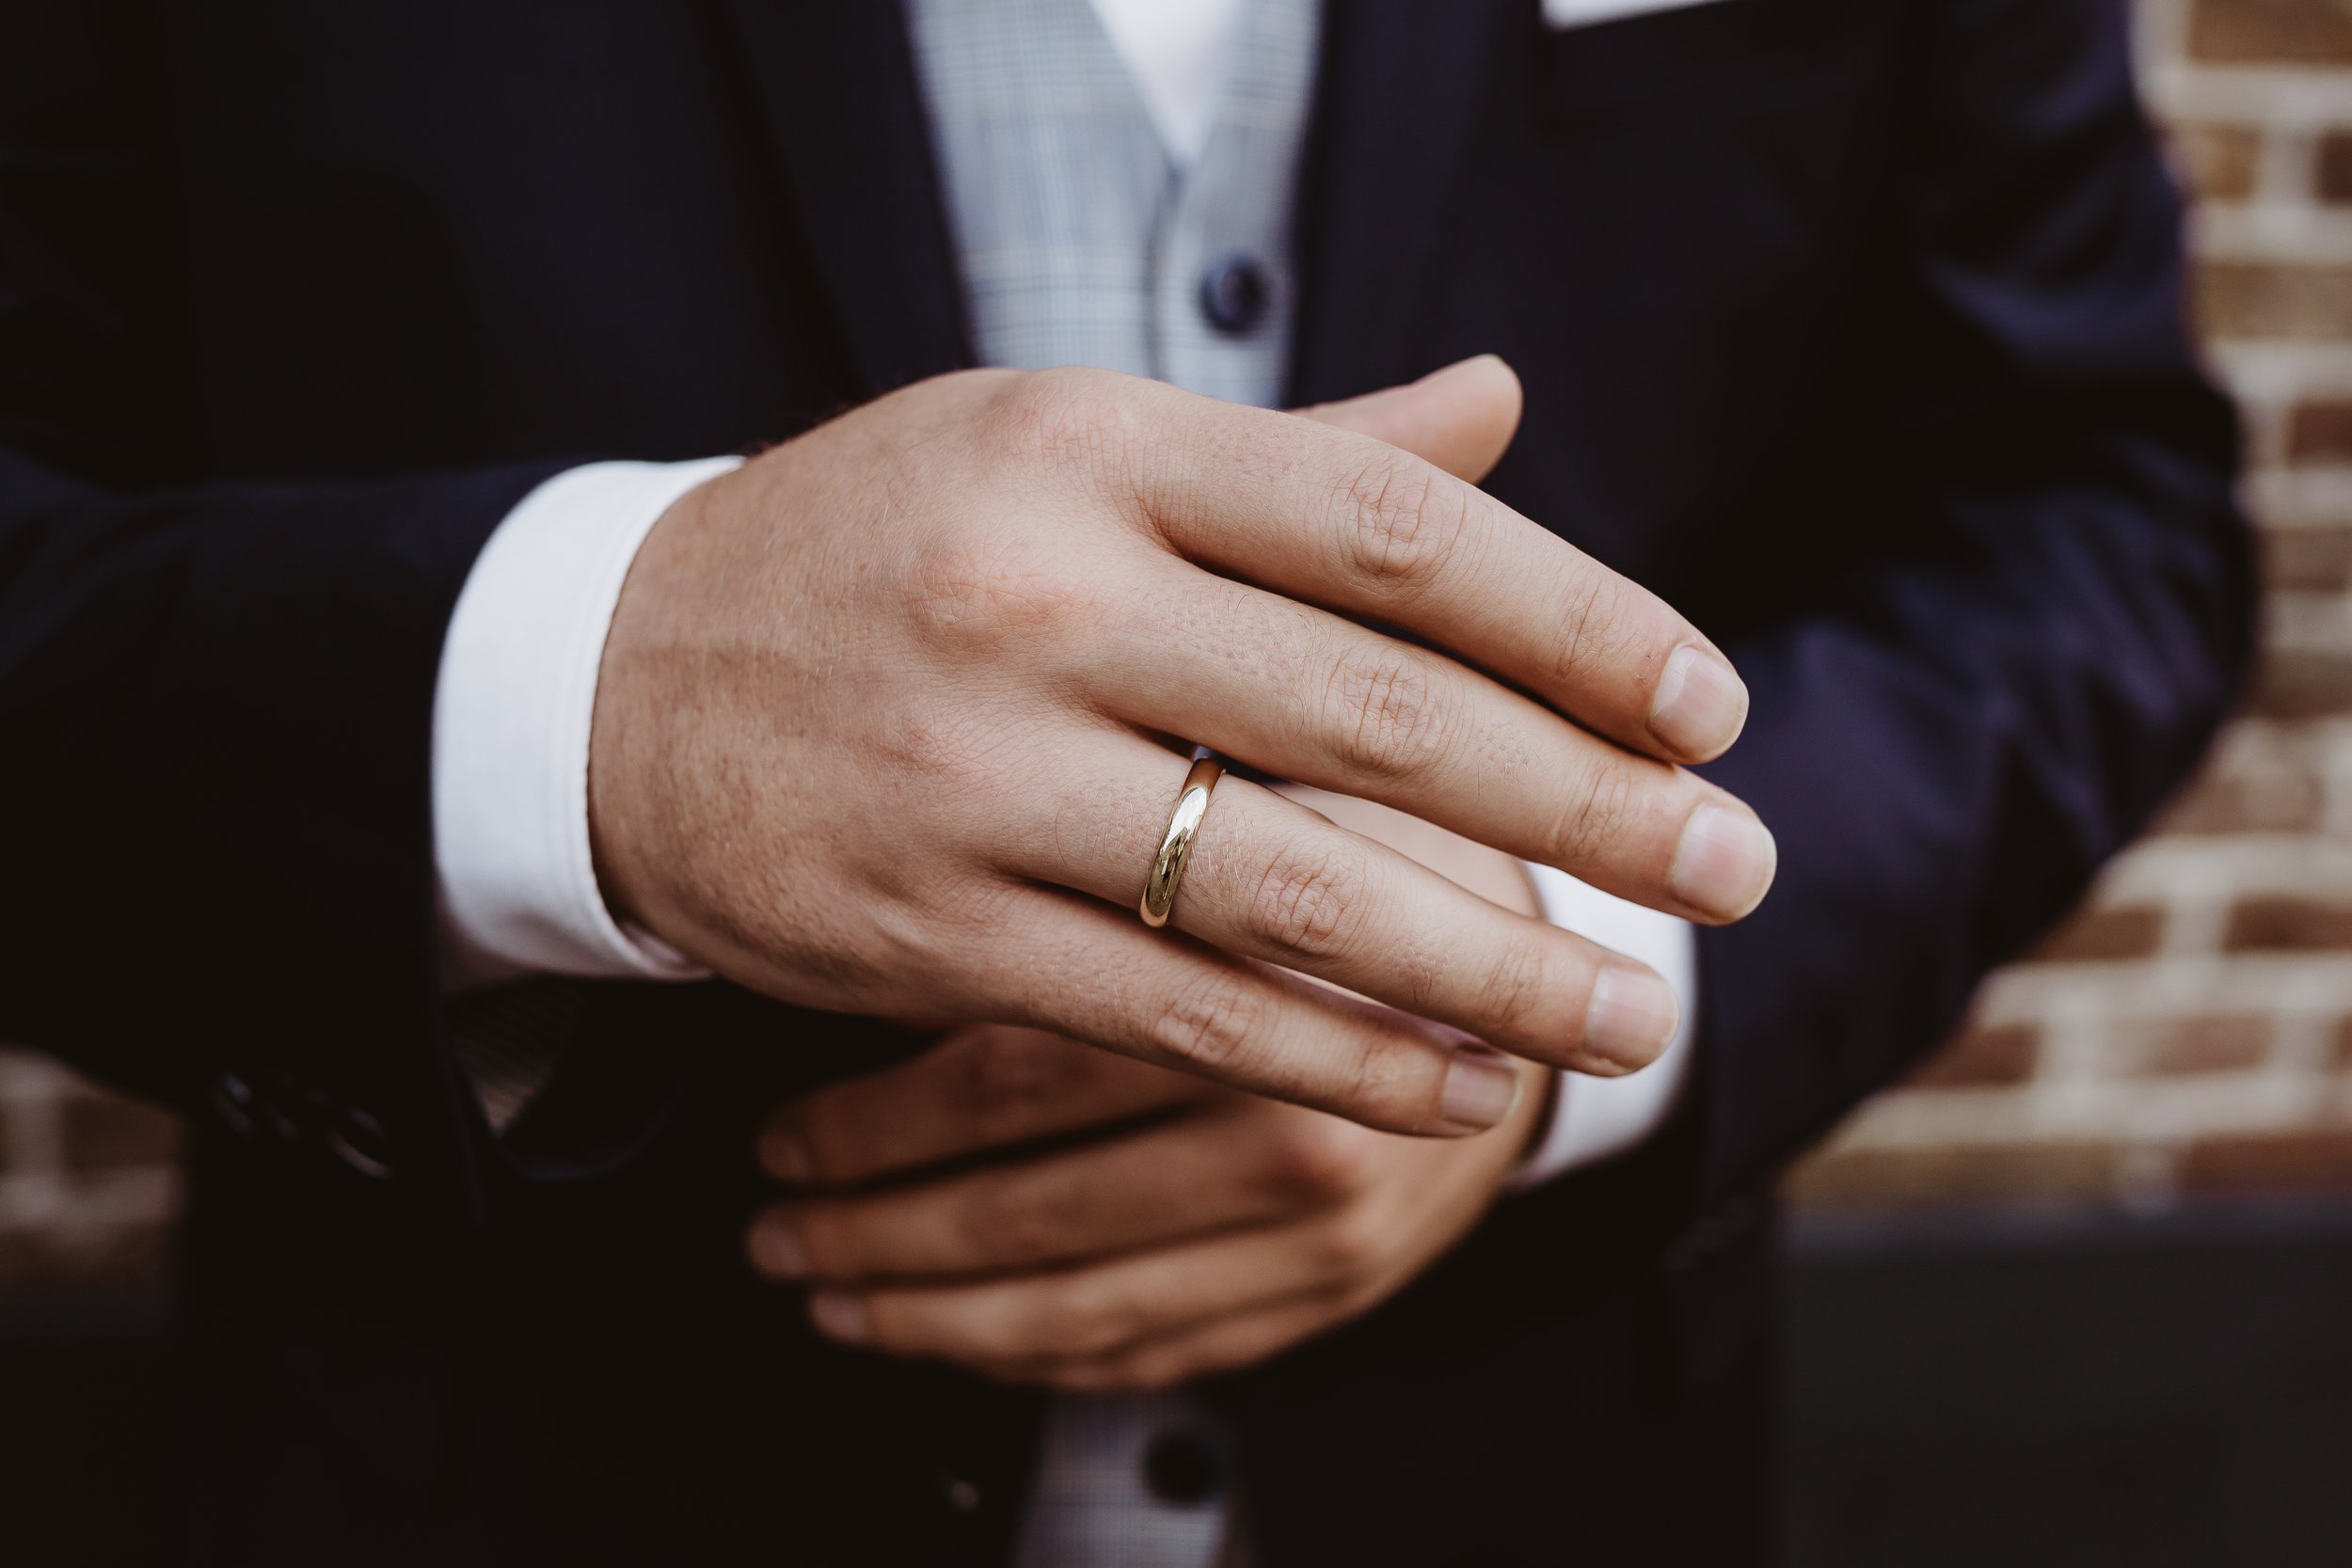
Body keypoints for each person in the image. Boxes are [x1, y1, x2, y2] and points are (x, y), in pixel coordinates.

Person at [0, 0, 2249, 1563]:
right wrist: (588, 689)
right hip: (504, 1477)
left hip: (1538, 1472)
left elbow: (2085, 500)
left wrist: (1560, 972)